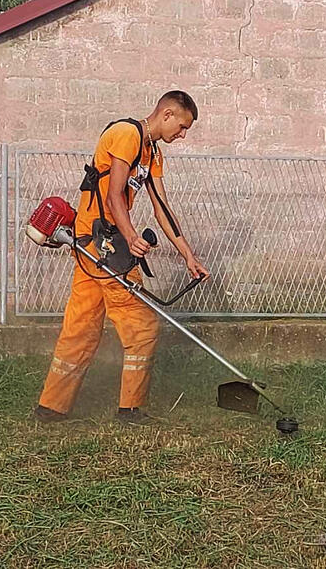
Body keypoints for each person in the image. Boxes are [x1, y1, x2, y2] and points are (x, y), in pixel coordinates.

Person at [34, 90, 209, 424]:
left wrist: (188, 255)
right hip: (103, 242)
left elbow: (161, 207)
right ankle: (130, 409)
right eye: (183, 127)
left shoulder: (151, 153)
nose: (183, 135)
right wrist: (131, 238)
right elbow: (115, 196)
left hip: (94, 242)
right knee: (141, 324)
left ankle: (50, 408)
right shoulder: (126, 134)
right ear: (167, 114)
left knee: (82, 326)